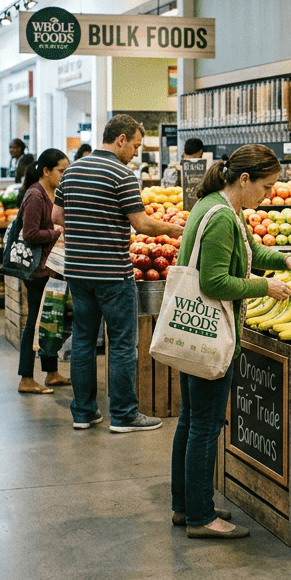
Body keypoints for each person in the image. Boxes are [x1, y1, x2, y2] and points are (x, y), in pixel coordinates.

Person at [170, 144, 291, 539]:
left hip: (194, 333)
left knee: (191, 419)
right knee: (206, 425)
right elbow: (214, 282)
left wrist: (285, 260)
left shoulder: (219, 207)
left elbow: (249, 252)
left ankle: (186, 505)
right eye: (266, 187)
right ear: (244, 179)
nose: (268, 195)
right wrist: (265, 287)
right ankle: (201, 517)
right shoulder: (221, 217)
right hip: (212, 334)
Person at [52, 114, 182, 432]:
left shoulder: (72, 171)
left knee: (83, 341)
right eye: (135, 146)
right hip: (112, 273)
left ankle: (83, 413)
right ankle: (124, 415)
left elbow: (56, 216)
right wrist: (176, 229)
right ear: (120, 140)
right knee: (123, 344)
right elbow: (142, 224)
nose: (136, 153)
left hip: (78, 271)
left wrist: (85, 231)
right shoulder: (122, 175)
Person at [14, 149, 70, 395]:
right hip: (38, 271)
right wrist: (56, 233)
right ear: (46, 171)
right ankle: (26, 378)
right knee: (35, 323)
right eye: (61, 171)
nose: (64, 175)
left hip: (53, 268)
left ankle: (51, 373)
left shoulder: (55, 192)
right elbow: (30, 233)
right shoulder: (35, 195)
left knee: (51, 320)